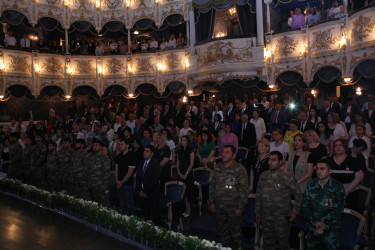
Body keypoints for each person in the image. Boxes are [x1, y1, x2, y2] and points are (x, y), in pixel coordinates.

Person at [255, 151, 303, 250]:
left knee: (283, 245)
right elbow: (259, 195)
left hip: (282, 218)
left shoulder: (286, 176)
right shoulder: (263, 176)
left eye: (273, 160)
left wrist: (295, 212)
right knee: (268, 245)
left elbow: (298, 194)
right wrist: (257, 212)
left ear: (280, 162)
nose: (270, 162)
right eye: (269, 159)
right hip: (266, 217)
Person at [209, 145, 248, 249]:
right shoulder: (217, 168)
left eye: (227, 152)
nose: (223, 154)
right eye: (223, 152)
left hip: (233, 207)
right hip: (219, 207)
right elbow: (212, 186)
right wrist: (211, 202)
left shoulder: (240, 169)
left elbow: (243, 190)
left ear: (233, 155)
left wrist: (240, 207)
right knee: (222, 234)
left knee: (236, 235)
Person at [302, 159, 346, 249]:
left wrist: (324, 227)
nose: (318, 171)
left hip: (330, 231)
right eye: (317, 169)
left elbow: (338, 209)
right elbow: (305, 205)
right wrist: (315, 223)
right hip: (313, 228)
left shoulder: (337, 186)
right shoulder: (311, 184)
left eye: (322, 169)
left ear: (330, 171)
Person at [328, 139, 364, 211]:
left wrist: (346, 191)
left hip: (350, 191)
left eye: (340, 145)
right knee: (327, 210)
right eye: (336, 146)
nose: (338, 147)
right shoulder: (327, 161)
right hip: (331, 192)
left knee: (349, 216)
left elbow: (360, 176)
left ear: (345, 147)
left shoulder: (353, 160)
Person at [134, 145, 161, 225]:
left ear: (152, 154)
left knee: (154, 216)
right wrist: (139, 190)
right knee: (145, 215)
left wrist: (146, 192)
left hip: (152, 194)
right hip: (141, 193)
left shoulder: (156, 164)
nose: (145, 153)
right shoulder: (141, 162)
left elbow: (154, 180)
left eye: (147, 151)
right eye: (144, 151)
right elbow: (138, 178)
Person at [114, 138, 136, 215]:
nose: (120, 146)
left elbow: (130, 172)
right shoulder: (118, 156)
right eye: (119, 144)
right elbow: (116, 170)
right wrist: (116, 180)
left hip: (128, 183)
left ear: (127, 145)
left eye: (122, 144)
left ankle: (133, 221)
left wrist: (121, 182)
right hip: (119, 182)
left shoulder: (131, 156)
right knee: (122, 203)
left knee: (129, 203)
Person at [87, 138, 111, 207]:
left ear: (101, 147)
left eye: (96, 145)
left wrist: (105, 184)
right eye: (93, 145)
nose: (94, 147)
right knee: (95, 203)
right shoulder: (91, 156)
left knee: (104, 204)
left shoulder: (104, 157)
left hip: (101, 184)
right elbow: (89, 170)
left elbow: (107, 172)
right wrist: (89, 182)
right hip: (93, 184)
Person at [177, 135, 195, 217]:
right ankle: (182, 208)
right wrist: (179, 172)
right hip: (181, 172)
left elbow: (191, 164)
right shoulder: (180, 150)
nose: (182, 142)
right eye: (182, 140)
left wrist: (186, 174)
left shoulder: (191, 151)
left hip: (188, 173)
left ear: (187, 142)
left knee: (187, 193)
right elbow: (178, 162)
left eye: (184, 140)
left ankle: (188, 209)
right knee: (181, 192)